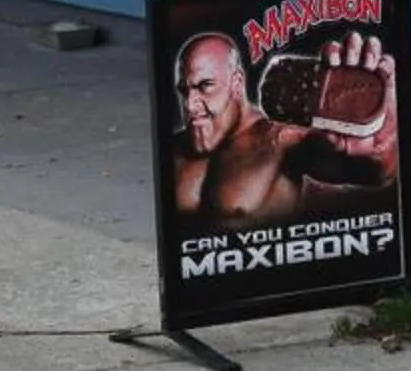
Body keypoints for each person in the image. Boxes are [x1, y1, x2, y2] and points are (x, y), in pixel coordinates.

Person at [170, 28, 397, 228]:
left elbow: (375, 173)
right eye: (184, 90)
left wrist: (381, 144)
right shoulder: (174, 147)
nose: (190, 104)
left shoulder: (282, 138)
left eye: (205, 86)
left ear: (237, 82)